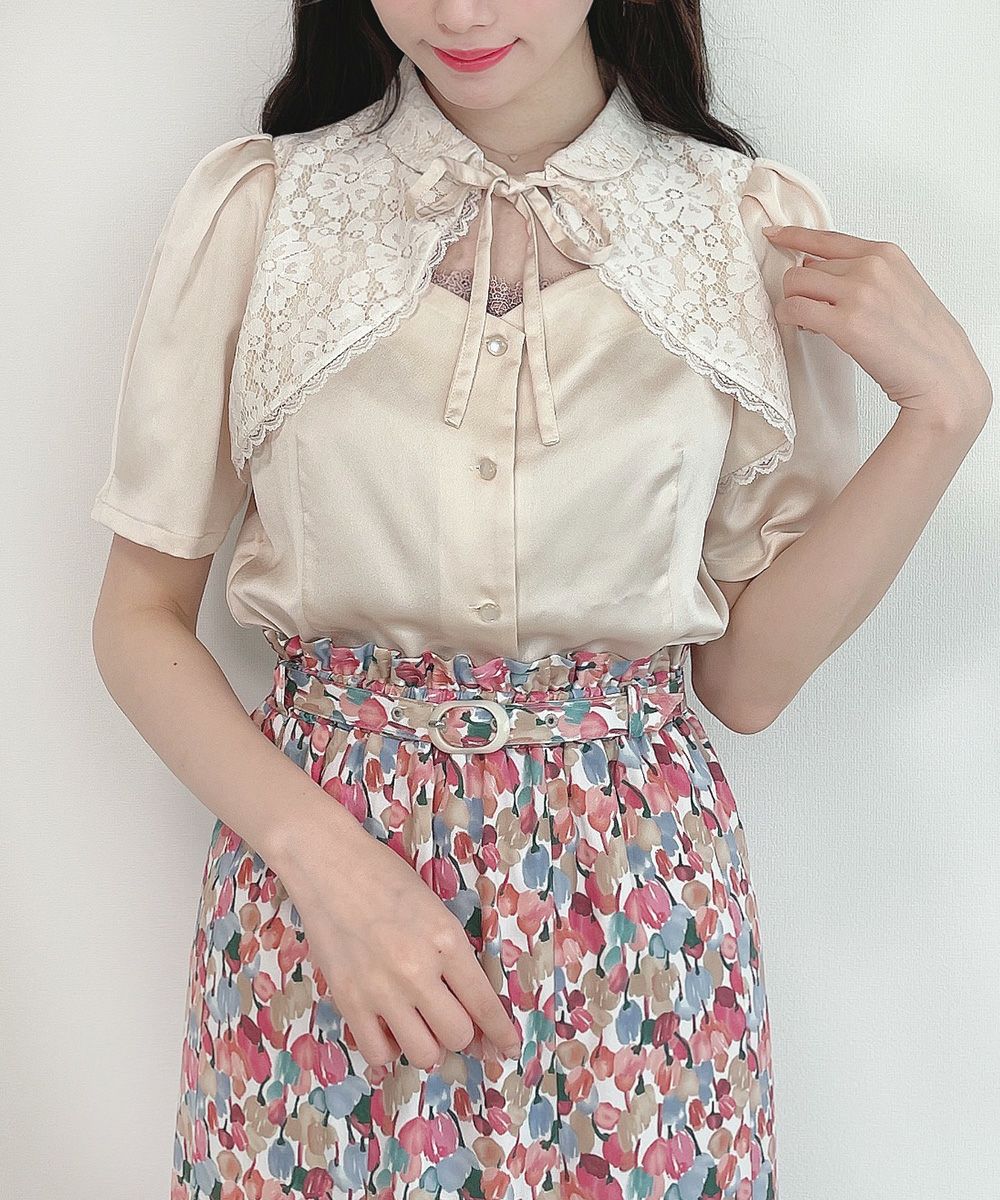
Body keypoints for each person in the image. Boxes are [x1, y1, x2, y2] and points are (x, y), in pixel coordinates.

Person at [90, 2, 993, 1198]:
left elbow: (746, 683)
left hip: (640, 917)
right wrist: (328, 869)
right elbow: (138, 613)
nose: (460, 12)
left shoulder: (741, 229)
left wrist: (943, 417)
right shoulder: (263, 211)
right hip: (328, 911)